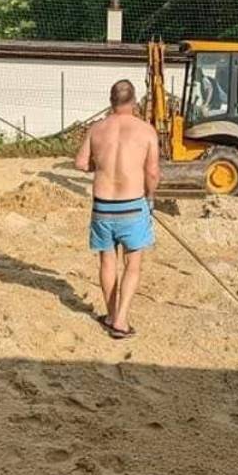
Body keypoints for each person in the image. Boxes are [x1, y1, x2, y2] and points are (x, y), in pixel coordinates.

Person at [74, 79, 161, 339]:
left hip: (102, 206)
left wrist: (98, 167)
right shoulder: (146, 131)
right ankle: (121, 320)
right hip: (133, 205)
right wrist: (151, 197)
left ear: (111, 101)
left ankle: (110, 314)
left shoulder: (97, 129)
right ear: (134, 102)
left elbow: (80, 163)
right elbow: (153, 171)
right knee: (133, 263)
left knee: (107, 260)